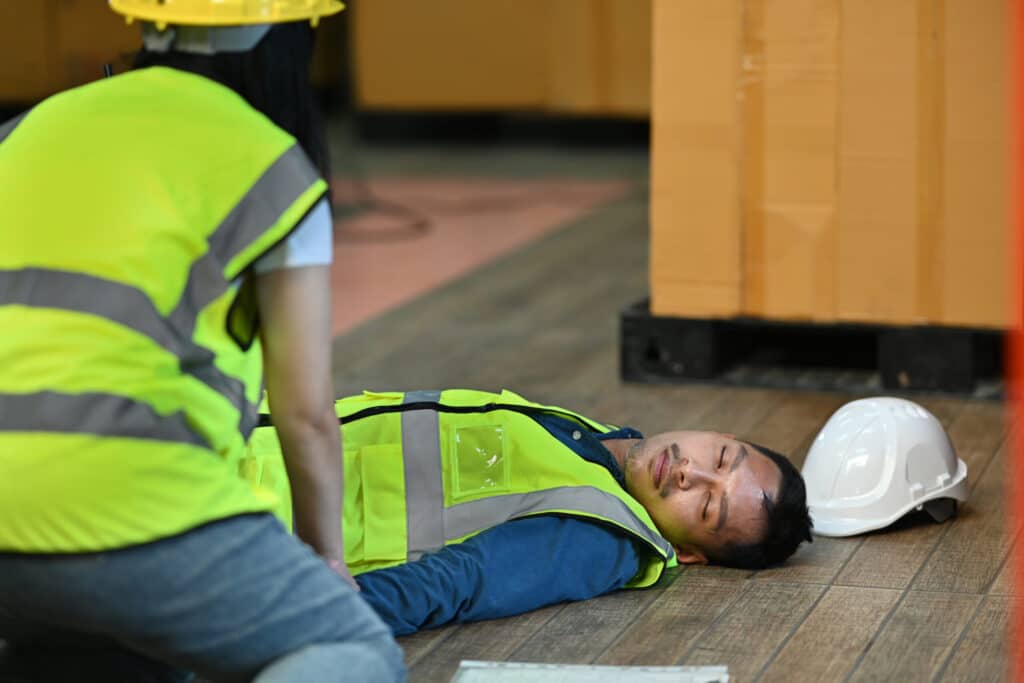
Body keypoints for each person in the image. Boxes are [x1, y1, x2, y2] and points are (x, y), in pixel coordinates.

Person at [0, 1, 404, 681]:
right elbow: (304, 416)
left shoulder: (25, 129)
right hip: (136, 503)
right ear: (284, 37)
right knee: (356, 651)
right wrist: (327, 560)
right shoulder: (272, 164)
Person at [245, 388, 814, 635]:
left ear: (689, 552)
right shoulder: (604, 442)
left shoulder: (603, 538)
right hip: (243, 439)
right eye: (718, 457)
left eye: (707, 503)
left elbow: (461, 583)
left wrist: (300, 619)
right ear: (718, 432)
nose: (691, 472)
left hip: (249, 524)